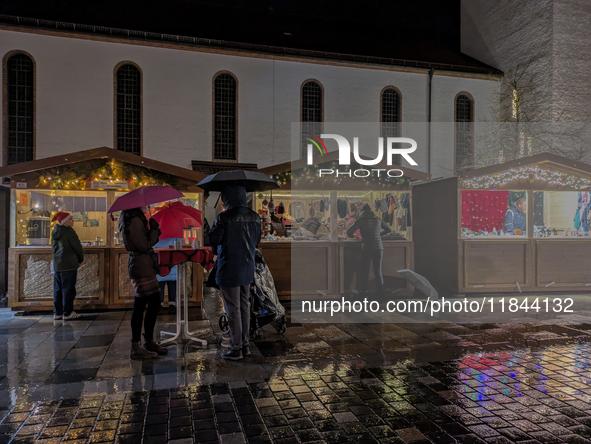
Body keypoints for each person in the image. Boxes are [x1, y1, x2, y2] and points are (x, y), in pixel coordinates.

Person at [209, 185, 261, 361]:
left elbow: (214, 240)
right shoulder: (255, 217)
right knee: (245, 307)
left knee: (233, 309)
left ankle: (236, 348)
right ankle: (245, 345)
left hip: (229, 268)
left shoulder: (224, 217)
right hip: (247, 268)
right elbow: (256, 241)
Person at [119, 207, 167, 360]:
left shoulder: (135, 218)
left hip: (143, 265)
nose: (148, 206)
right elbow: (144, 245)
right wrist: (153, 230)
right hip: (141, 266)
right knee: (148, 305)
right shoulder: (134, 220)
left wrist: (153, 231)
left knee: (145, 305)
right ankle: (139, 345)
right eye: (145, 204)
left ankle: (146, 342)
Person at [347, 204, 391, 296]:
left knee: (365, 271)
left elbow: (349, 231)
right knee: (378, 271)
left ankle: (364, 293)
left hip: (367, 247)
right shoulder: (378, 219)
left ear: (362, 212)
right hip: (379, 247)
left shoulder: (361, 220)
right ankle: (381, 293)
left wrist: (354, 236)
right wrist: (379, 235)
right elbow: (388, 229)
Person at [51, 212, 84, 320]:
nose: (73, 221)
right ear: (64, 221)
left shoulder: (55, 231)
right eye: (70, 219)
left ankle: (58, 312)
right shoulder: (69, 232)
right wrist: (80, 259)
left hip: (58, 264)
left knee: (58, 289)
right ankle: (68, 312)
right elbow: (77, 247)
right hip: (69, 263)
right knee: (68, 289)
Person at [154, 238, 178, 314]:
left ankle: (159, 306)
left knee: (160, 288)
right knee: (172, 288)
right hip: (172, 265)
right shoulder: (174, 235)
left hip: (160, 265)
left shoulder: (156, 234)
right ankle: (172, 305)